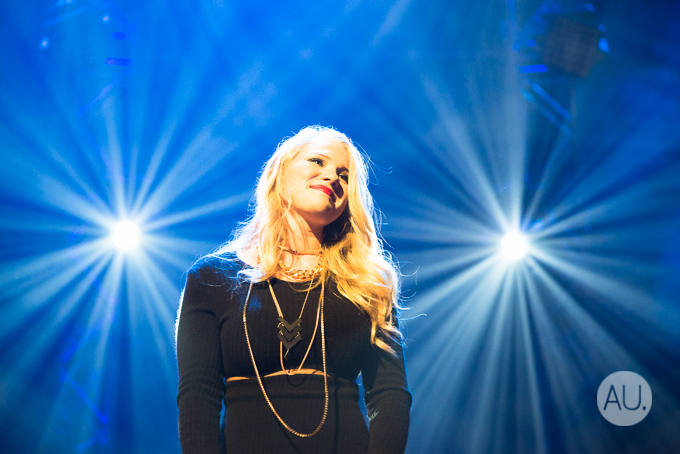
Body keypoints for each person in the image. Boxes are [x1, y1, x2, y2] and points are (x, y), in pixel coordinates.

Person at [176, 126, 411, 454]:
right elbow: (198, 395)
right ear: (280, 172)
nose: (332, 176)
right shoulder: (212, 277)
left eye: (344, 176)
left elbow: (390, 395)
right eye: (317, 161)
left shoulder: (367, 284)